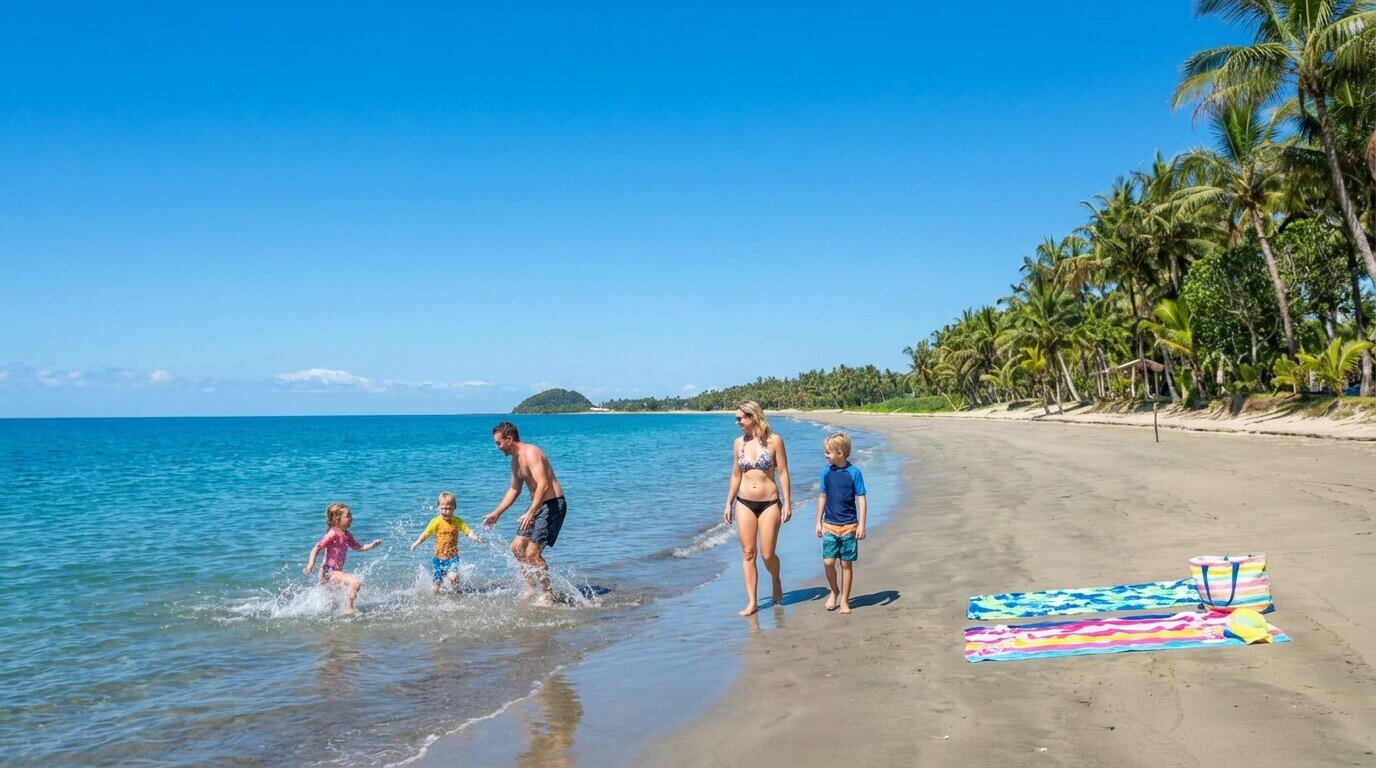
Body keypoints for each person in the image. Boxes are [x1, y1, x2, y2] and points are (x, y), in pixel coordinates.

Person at [482, 421, 568, 605]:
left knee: (532, 554)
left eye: (498, 443)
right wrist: (497, 513)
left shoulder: (532, 453)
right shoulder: (515, 461)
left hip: (553, 505)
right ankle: (530, 586)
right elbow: (514, 490)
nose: (497, 448)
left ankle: (547, 592)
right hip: (537, 506)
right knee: (516, 547)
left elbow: (543, 484)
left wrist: (531, 511)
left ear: (509, 439)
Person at [722, 400, 792, 616]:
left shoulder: (775, 441)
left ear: (752, 417)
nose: (737, 422)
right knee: (748, 552)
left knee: (767, 553)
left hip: (770, 502)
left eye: (740, 418)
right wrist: (728, 502)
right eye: (736, 419)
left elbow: (782, 472)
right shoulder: (738, 443)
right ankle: (752, 601)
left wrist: (787, 502)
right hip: (744, 502)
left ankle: (775, 579)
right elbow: (736, 474)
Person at [815, 432, 867, 613]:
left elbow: (861, 498)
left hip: (849, 525)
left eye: (828, 452)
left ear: (841, 452)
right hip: (829, 524)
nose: (825, 455)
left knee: (846, 564)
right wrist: (818, 521)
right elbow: (822, 496)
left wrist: (861, 524)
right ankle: (834, 591)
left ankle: (844, 600)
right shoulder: (825, 472)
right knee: (828, 562)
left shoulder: (854, 472)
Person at [303, 502, 382, 615]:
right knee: (355, 583)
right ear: (337, 519)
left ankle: (331, 616)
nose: (351, 518)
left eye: (351, 516)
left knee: (330, 604)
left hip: (334, 572)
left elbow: (358, 547)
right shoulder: (332, 534)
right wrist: (310, 565)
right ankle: (347, 609)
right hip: (329, 571)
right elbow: (316, 547)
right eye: (348, 516)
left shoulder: (347, 535)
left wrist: (372, 545)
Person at [410, 491, 479, 594]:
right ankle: (433, 603)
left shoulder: (458, 521)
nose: (446, 511)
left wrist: (473, 537)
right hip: (438, 559)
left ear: (454, 508)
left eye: (449, 509)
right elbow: (425, 534)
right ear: (438, 507)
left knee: (452, 577)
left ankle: (458, 591)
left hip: (452, 558)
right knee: (435, 587)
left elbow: (467, 530)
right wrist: (416, 543)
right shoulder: (435, 522)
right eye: (443, 508)